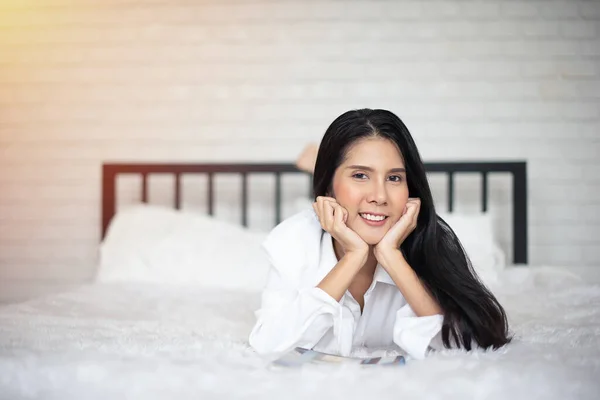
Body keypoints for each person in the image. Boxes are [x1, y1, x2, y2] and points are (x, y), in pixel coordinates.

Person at [249, 108, 511, 360]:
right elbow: (267, 346)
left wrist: (392, 257)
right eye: (360, 175)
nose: (379, 196)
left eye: (394, 178)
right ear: (328, 188)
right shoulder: (294, 241)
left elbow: (473, 348)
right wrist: (353, 256)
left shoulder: (430, 240)